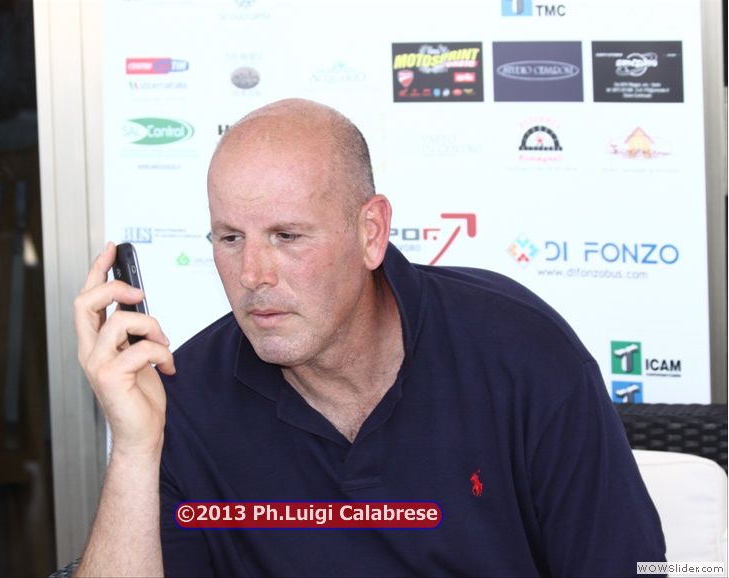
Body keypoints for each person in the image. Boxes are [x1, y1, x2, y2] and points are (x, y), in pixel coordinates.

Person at [73, 98, 665, 576]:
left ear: (371, 232)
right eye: (230, 238)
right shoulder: (184, 399)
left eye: (287, 236)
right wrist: (134, 448)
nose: (253, 275)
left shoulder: (521, 353)